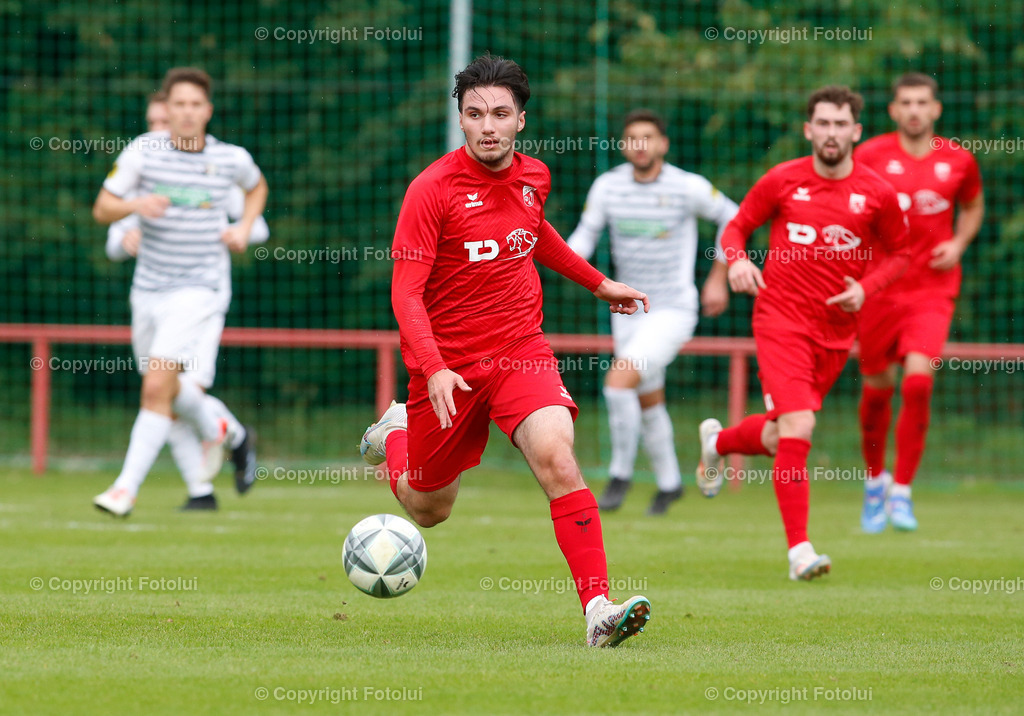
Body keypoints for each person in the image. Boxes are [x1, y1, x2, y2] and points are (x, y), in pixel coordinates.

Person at [359, 54, 652, 647]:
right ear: (460, 120)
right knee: (428, 507)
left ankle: (597, 609)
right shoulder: (431, 191)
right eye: (474, 114)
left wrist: (600, 284)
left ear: (521, 118)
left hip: (521, 349)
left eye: (499, 113)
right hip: (448, 367)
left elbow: (535, 232)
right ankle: (395, 433)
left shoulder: (533, 177)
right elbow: (406, 292)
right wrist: (435, 368)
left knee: (557, 460)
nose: (487, 126)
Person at [695, 86, 910, 580]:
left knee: (778, 435)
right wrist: (738, 260)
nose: (831, 133)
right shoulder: (783, 180)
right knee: (800, 427)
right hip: (780, 321)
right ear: (808, 129)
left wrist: (868, 289)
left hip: (836, 332)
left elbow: (901, 254)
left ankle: (720, 443)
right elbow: (735, 228)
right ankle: (800, 552)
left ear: (855, 131)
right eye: (823, 123)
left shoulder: (876, 193)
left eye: (841, 125)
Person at [91, 67, 267, 516]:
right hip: (148, 292)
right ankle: (231, 434)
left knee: (158, 385)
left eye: (195, 105)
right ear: (166, 111)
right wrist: (134, 205)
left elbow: (256, 187)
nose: (187, 113)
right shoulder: (142, 154)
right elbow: (103, 208)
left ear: (207, 111)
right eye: (178, 105)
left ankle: (124, 490)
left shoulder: (228, 159)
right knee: (163, 391)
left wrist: (244, 227)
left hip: (200, 292)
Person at [567, 108, 737, 515]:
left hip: (672, 310)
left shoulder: (686, 186)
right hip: (626, 309)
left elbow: (734, 216)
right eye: (631, 138)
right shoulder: (608, 187)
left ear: (663, 144)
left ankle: (620, 475)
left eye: (648, 137)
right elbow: (582, 240)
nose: (639, 145)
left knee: (617, 383)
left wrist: (719, 277)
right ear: (624, 145)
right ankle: (670, 483)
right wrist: (547, 262)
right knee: (648, 400)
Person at [853, 73, 983, 532]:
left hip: (932, 290)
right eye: (905, 102)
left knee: (918, 384)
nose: (913, 110)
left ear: (935, 109)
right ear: (892, 111)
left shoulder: (959, 160)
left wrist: (959, 244)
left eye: (921, 102)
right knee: (877, 390)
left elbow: (972, 206)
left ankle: (902, 492)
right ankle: (874, 483)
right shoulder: (868, 156)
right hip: (878, 288)